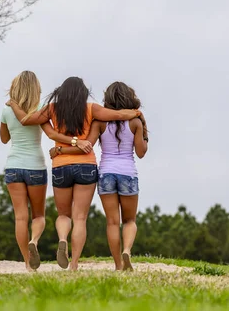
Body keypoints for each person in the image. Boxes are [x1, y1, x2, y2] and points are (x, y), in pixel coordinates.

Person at [8, 77, 139, 271]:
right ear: (83, 93)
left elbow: (26, 120)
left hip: (60, 165)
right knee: (80, 218)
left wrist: (12, 103)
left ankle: (63, 239)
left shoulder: (52, 109)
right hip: (86, 166)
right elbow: (118, 115)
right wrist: (137, 113)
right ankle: (74, 264)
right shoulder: (91, 109)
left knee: (63, 215)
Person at [0, 71, 92, 271]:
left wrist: (12, 112)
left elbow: (4, 139)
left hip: (13, 165)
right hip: (35, 165)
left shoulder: (6, 111)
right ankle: (34, 239)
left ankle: (27, 263)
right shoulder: (41, 109)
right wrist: (75, 141)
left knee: (20, 217)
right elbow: (50, 133)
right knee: (38, 216)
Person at [50, 82, 148, 271]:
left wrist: (60, 149)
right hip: (128, 173)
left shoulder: (100, 122)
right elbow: (141, 152)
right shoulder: (135, 122)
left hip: (105, 174)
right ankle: (126, 251)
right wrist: (144, 132)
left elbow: (86, 146)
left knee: (112, 222)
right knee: (129, 220)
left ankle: (118, 265)